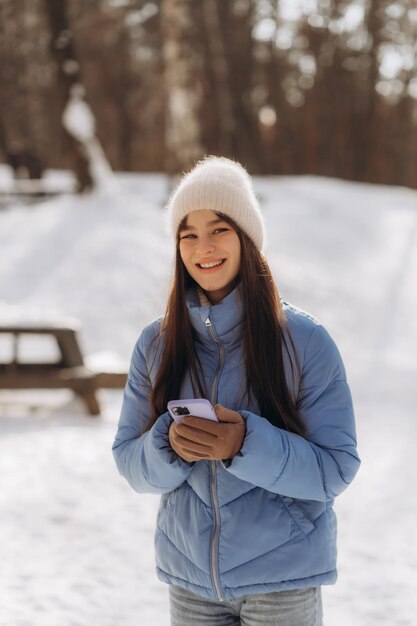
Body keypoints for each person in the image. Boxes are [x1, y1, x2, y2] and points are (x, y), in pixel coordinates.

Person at [112, 156, 360, 626]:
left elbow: (336, 469)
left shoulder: (305, 341)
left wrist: (245, 443)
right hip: (191, 586)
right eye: (188, 234)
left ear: (247, 237)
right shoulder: (156, 343)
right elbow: (130, 461)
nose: (203, 246)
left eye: (219, 228)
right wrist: (168, 446)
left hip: (282, 582)